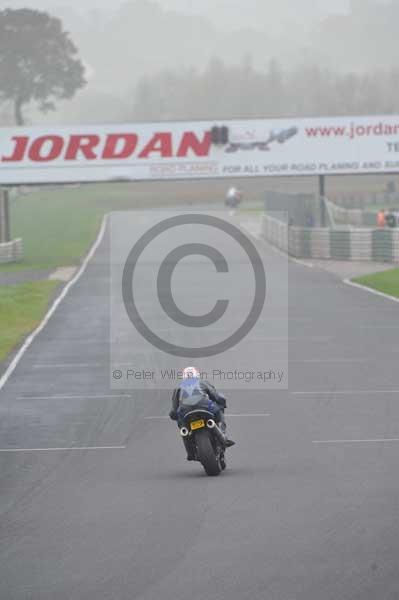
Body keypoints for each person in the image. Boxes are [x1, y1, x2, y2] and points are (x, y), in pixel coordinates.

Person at [169, 366, 235, 460]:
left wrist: (174, 416)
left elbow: (173, 410)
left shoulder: (178, 388)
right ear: (197, 375)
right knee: (219, 411)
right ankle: (223, 435)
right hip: (204, 407)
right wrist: (222, 402)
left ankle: (190, 451)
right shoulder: (202, 382)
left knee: (183, 428)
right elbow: (216, 396)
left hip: (185, 412)